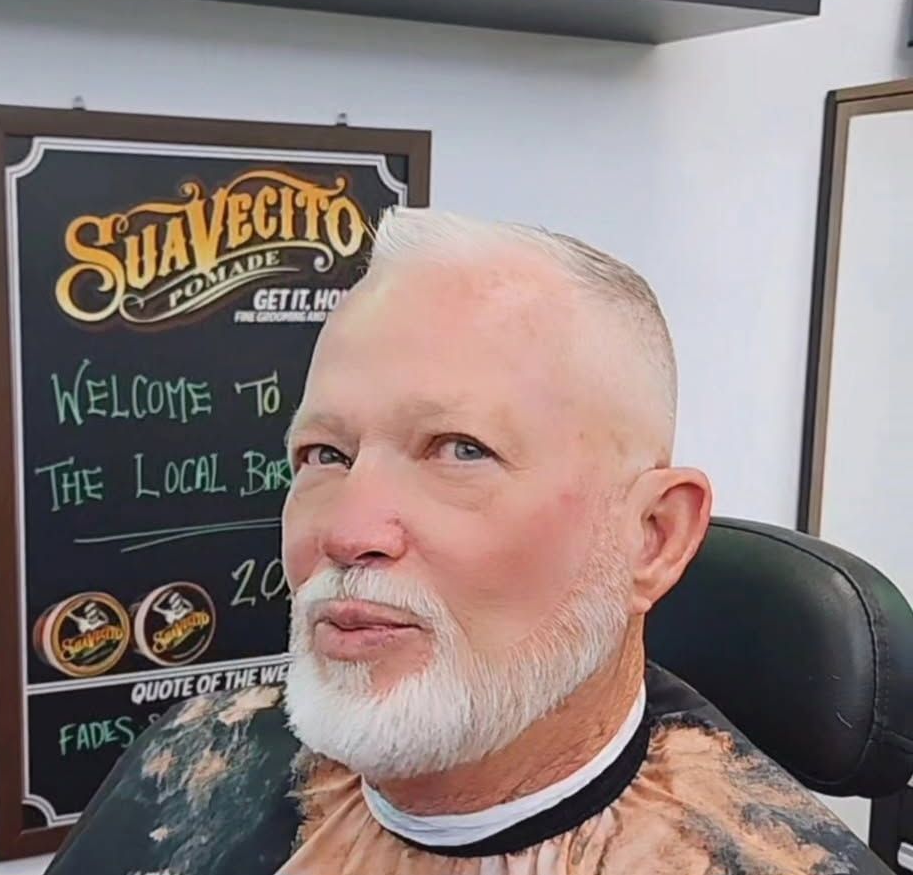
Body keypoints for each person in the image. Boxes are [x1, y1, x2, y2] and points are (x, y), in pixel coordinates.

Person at [46, 209, 888, 875]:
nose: (345, 532)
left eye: (460, 450)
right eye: (324, 454)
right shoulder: (195, 757)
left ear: (651, 536)